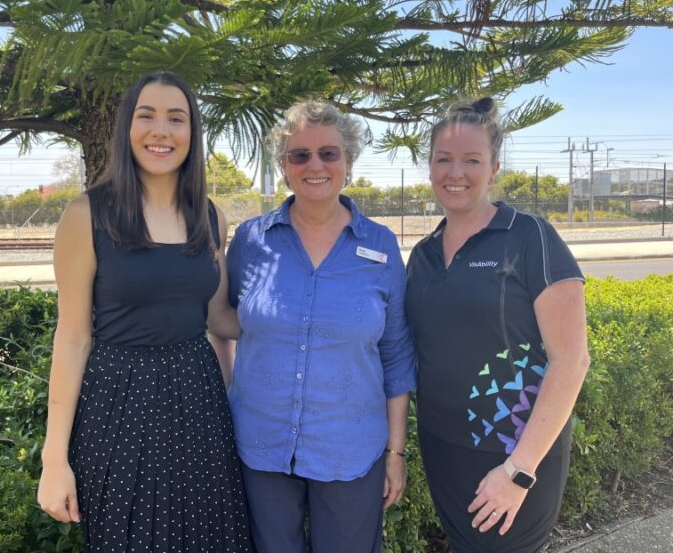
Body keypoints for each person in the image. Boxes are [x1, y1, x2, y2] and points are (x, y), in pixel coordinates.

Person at [36, 70, 250, 552]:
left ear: (191, 134)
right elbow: (72, 338)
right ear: (126, 129)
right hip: (118, 405)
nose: (162, 131)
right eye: (147, 115)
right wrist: (54, 459)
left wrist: (299, 320)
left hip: (199, 404)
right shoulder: (86, 215)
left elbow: (218, 317)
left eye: (177, 118)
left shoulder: (209, 216)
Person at [225, 100, 417, 553]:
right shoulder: (251, 241)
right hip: (261, 445)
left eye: (329, 153)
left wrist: (395, 452)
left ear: (347, 163)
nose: (315, 165)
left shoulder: (380, 246)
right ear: (284, 166)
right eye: (300, 155)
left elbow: (396, 354)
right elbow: (225, 321)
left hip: (351, 451)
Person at [405, 97, 590, 552]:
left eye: (472, 160)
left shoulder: (530, 237)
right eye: (443, 159)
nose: (455, 173)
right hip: (442, 447)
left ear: (493, 169)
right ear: (429, 167)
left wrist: (519, 470)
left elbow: (572, 360)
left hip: (513, 452)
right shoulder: (423, 255)